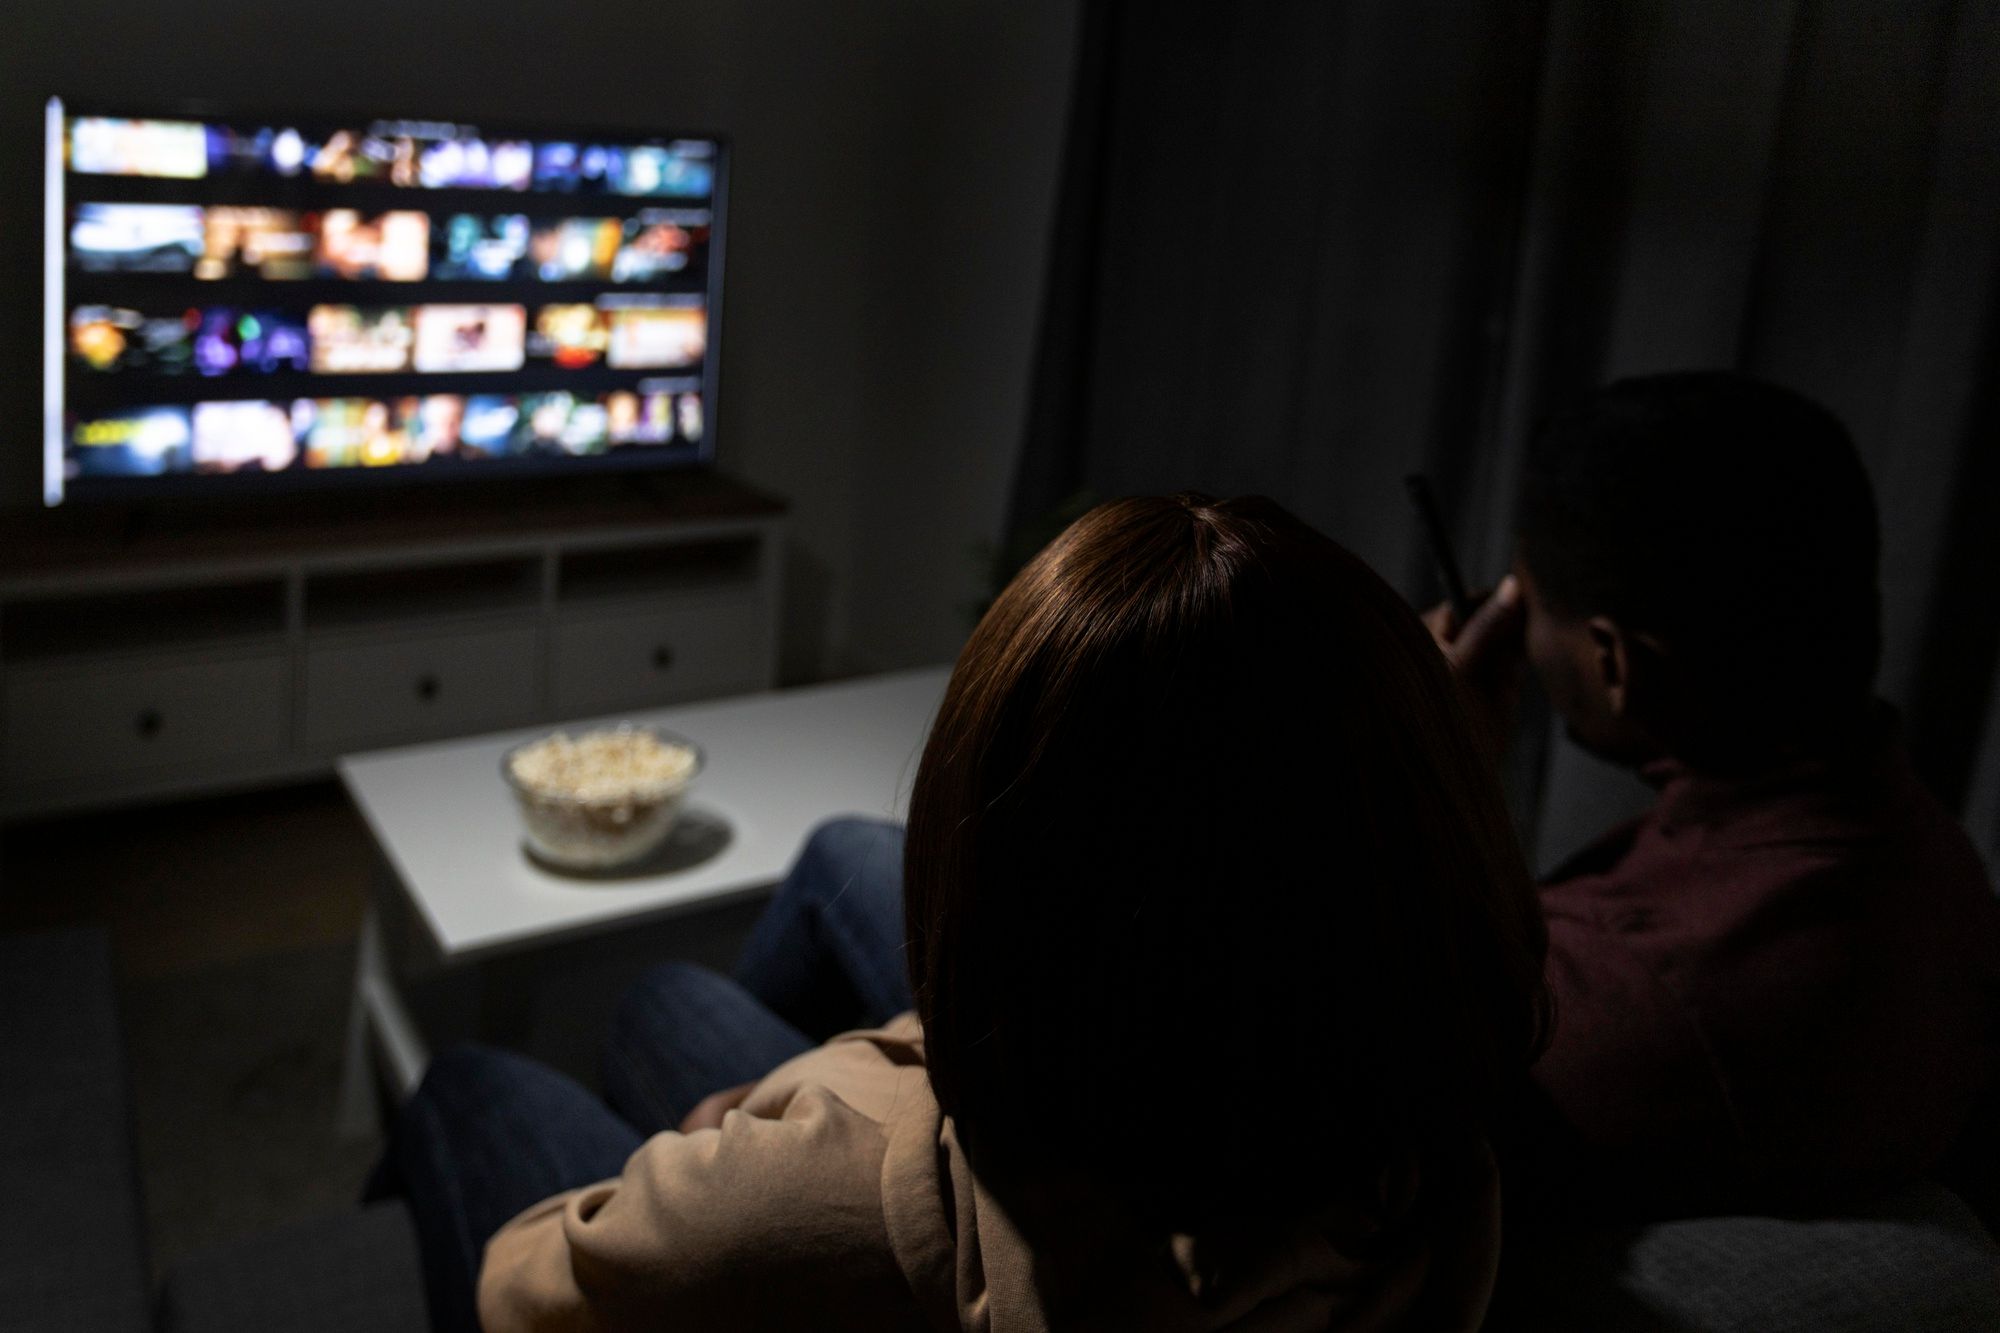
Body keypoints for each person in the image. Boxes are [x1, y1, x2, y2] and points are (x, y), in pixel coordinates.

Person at [374, 493, 1550, 1332]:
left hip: (807, 1200)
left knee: (469, 1085)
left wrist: (754, 1131)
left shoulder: (810, 1195)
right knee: (666, 995)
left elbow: (527, 1284)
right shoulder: (1446, 1148)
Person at [1427, 371, 2000, 1221]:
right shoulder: (1935, 865)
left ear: (1614, 662)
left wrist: (1428, 758)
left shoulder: (1624, 987)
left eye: (1528, 601)